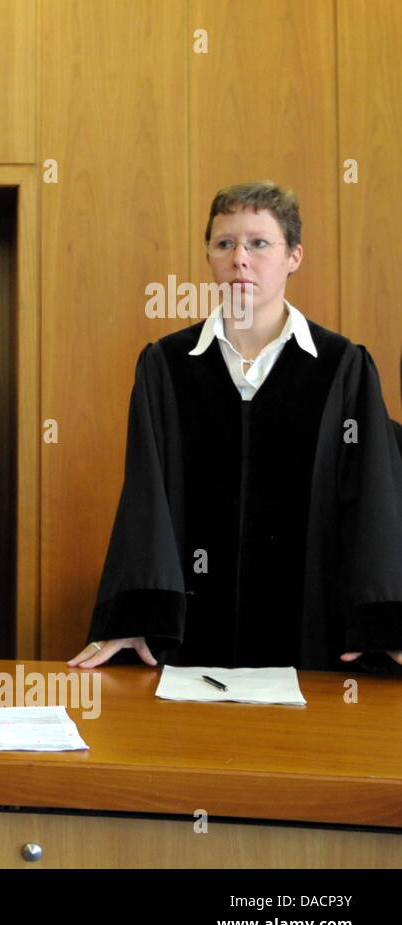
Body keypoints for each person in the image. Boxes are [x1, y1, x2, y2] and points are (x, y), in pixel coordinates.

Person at [70, 181, 402, 672]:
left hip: (313, 639)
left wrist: (385, 626)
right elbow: (146, 499)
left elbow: (372, 499)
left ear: (294, 256)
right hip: (191, 643)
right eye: (225, 244)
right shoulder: (167, 365)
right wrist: (136, 616)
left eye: (259, 244)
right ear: (209, 255)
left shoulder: (342, 366)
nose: (239, 259)